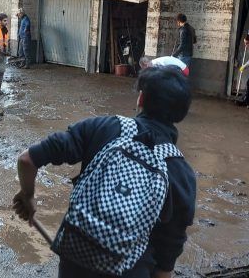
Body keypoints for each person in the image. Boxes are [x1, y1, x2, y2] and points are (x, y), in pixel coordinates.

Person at [13, 67, 196, 278]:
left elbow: (26, 160)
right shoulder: (181, 173)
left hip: (76, 258)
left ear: (141, 99)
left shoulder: (104, 127)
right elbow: (167, 257)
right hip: (131, 270)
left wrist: (27, 196)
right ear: (181, 114)